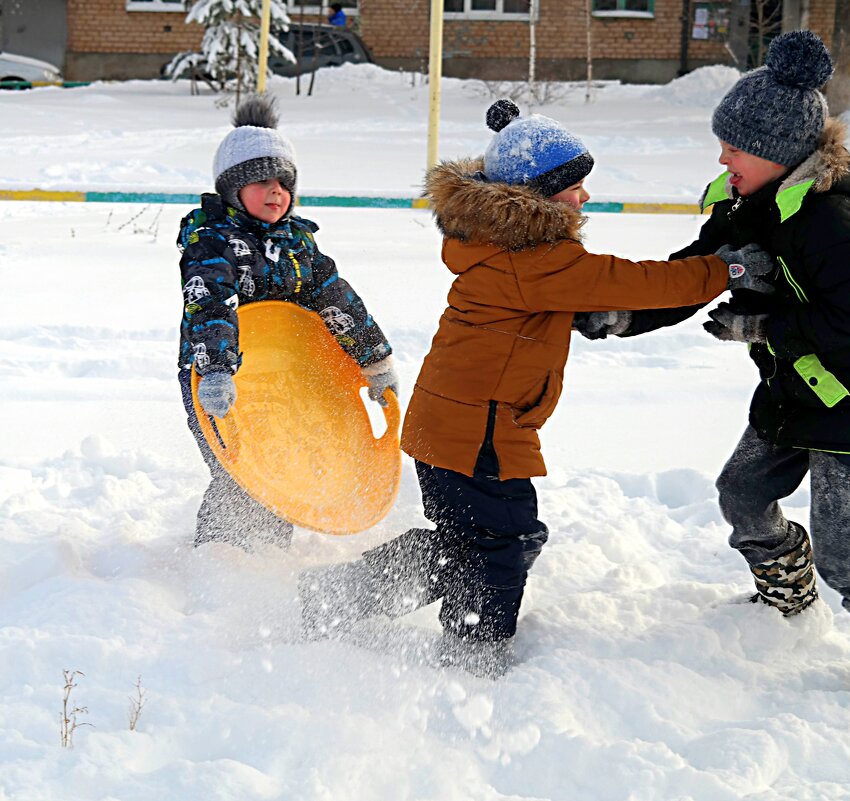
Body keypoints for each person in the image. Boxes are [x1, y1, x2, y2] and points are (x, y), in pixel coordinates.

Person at [297, 99, 776, 678]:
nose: (585, 197)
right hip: (477, 431)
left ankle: (339, 599)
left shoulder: (507, 247)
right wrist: (725, 269)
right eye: (574, 187)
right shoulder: (537, 260)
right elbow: (637, 282)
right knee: (503, 541)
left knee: (476, 541)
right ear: (535, 196)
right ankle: (472, 652)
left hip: (457, 426)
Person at [578, 31, 850, 690]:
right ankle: (785, 593)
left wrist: (763, 324)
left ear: (778, 153)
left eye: (735, 148)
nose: (722, 157)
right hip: (791, 392)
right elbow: (694, 274)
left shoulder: (833, 223)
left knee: (846, 553)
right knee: (741, 494)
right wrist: (622, 314)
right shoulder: (740, 207)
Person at [177, 95, 397, 550]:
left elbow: (337, 300)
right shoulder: (211, 241)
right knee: (239, 467)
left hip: (288, 376)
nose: (277, 192)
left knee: (283, 459)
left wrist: (374, 361)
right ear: (231, 190)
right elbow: (211, 306)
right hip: (219, 375)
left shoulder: (299, 243)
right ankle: (221, 556)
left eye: (284, 182)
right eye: (261, 182)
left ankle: (268, 552)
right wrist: (216, 371)